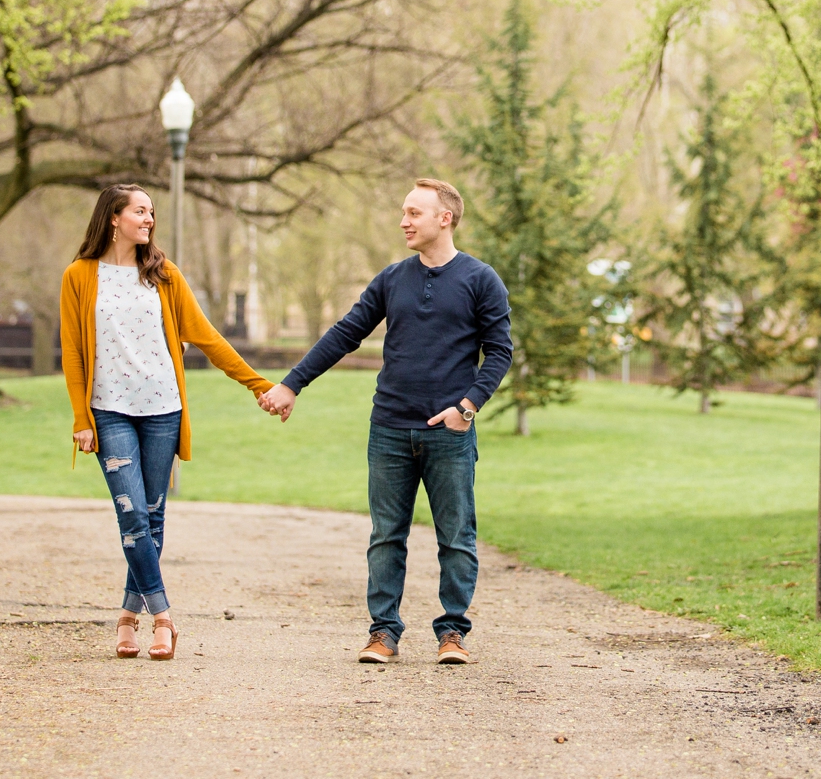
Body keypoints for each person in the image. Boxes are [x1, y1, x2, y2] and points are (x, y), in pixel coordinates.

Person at [258, 178, 511, 666]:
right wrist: (292, 384)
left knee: (456, 536)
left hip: (449, 433)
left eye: (414, 213)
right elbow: (345, 333)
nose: (404, 222)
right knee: (386, 537)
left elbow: (499, 351)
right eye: (403, 212)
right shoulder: (392, 278)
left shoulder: (482, 280)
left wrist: (467, 408)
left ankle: (453, 633)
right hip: (390, 428)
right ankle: (383, 633)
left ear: (445, 217)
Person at [62, 183, 275, 660]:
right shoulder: (79, 276)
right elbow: (73, 352)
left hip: (162, 409)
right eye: (140, 211)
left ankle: (125, 618)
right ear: (114, 217)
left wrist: (258, 384)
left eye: (152, 212)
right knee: (132, 514)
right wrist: (81, 418)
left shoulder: (163, 274)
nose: (149, 219)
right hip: (108, 410)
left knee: (152, 519)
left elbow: (207, 337)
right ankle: (163, 618)